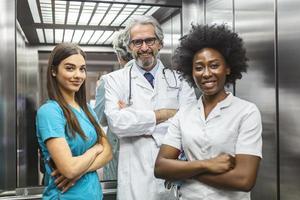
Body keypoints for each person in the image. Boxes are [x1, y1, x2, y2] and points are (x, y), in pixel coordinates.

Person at [154, 24, 263, 200]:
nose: (206, 73)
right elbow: (160, 168)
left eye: (214, 65)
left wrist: (185, 170)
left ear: (227, 68)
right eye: (199, 67)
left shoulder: (246, 112)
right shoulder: (184, 114)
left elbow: (244, 180)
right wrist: (208, 164)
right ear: (191, 72)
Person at [103, 15, 196, 200]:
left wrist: (135, 120)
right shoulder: (115, 80)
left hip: (173, 171)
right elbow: (117, 123)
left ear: (160, 43)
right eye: (137, 42)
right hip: (134, 178)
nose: (144, 48)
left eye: (150, 40)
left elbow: (190, 122)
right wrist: (166, 114)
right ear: (129, 47)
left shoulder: (180, 79)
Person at [36, 43, 112, 200]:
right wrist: (95, 149)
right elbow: (69, 169)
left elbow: (109, 152)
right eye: (70, 68)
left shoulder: (87, 110)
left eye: (82, 69)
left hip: (94, 195)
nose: (78, 75)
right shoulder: (50, 111)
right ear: (53, 71)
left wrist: (80, 170)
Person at [94, 30, 133, 180]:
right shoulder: (157, 78)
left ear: (119, 55)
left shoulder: (109, 80)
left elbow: (100, 118)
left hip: (119, 151)